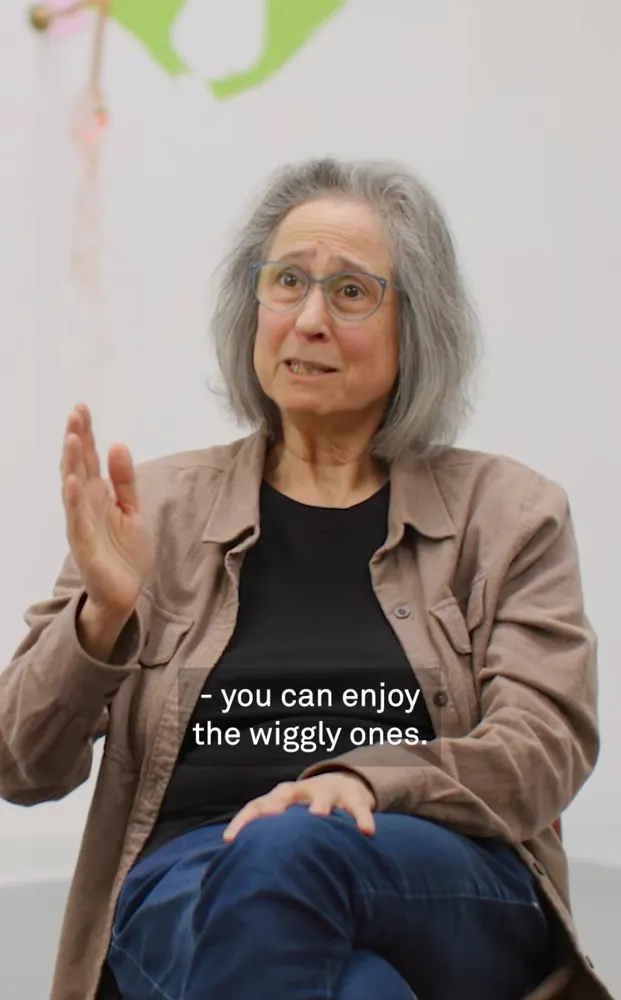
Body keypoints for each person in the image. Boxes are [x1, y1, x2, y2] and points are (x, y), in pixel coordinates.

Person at [0, 157, 613, 1000]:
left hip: (435, 876)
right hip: (190, 883)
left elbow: (541, 745)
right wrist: (100, 619)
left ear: (416, 326)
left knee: (293, 845)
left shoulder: (507, 515)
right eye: (287, 282)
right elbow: (21, 765)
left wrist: (361, 782)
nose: (310, 319)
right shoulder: (159, 511)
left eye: (351, 292)